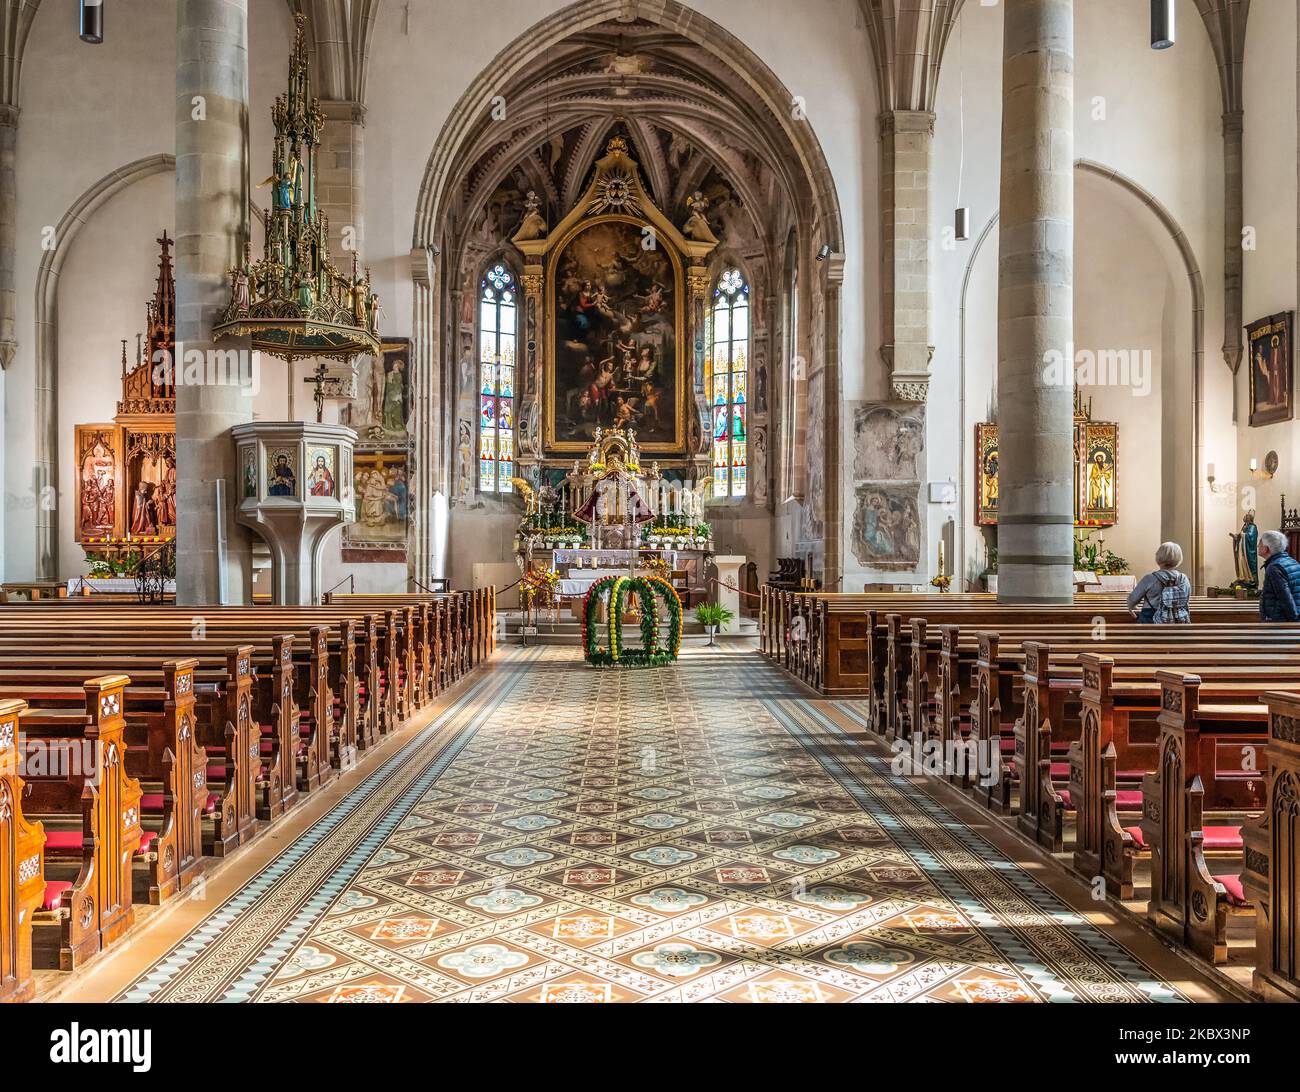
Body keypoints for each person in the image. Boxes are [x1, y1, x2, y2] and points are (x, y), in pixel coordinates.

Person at [1126, 542, 1191, 624]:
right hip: (1178, 620)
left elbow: (1132, 600)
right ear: (1179, 558)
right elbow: (1186, 600)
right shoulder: (1184, 579)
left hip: (1151, 620)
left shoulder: (1150, 578)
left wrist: (1133, 607)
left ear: (1158, 557)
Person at [1258, 529, 1300, 621]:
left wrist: (1294, 624)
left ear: (1266, 548)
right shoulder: (1292, 561)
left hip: (1281, 622)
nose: (1258, 546)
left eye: (1260, 544)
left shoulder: (1275, 567)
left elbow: (1286, 600)